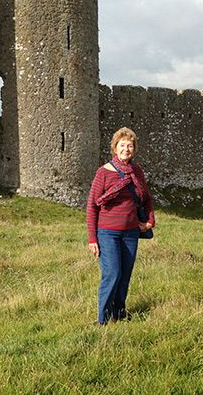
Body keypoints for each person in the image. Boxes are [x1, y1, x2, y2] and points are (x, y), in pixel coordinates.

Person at [86, 127, 155, 324]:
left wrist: (150, 220)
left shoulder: (137, 172)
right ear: (114, 148)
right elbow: (92, 206)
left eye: (130, 145)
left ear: (134, 149)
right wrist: (92, 238)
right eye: (122, 145)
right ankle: (103, 319)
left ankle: (119, 313)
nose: (126, 149)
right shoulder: (103, 173)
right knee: (112, 274)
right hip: (108, 233)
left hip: (131, 233)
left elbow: (146, 199)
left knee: (124, 275)